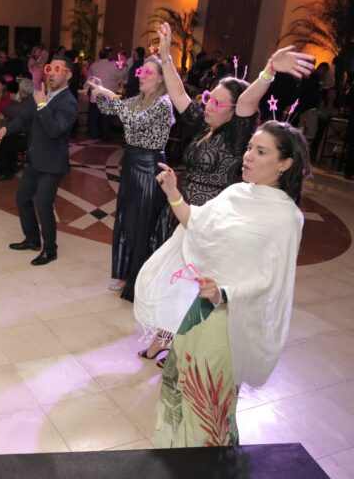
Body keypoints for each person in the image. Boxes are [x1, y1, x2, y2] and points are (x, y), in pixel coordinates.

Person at [138, 24, 315, 360]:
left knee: (195, 287)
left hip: (213, 223)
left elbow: (248, 99)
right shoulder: (204, 125)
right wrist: (166, 56)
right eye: (209, 98)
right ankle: (166, 338)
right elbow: (178, 94)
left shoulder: (237, 135)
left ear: (235, 111)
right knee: (176, 281)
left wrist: (268, 70)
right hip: (185, 212)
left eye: (219, 103)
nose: (209, 105)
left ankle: (180, 348)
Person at [134, 121, 310, 447]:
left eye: (261, 152)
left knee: (208, 396)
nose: (248, 156)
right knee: (180, 380)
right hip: (201, 309)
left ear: (285, 164)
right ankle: (174, 449)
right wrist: (173, 193)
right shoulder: (234, 193)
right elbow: (196, 223)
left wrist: (225, 292)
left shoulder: (286, 217)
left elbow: (272, 280)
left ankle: (208, 460)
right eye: (250, 148)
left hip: (231, 318)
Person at [89, 55, 174, 302]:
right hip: (131, 164)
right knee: (127, 220)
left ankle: (141, 279)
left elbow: (134, 123)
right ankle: (126, 274)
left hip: (149, 167)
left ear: (161, 79)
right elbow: (107, 110)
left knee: (144, 223)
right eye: (141, 72)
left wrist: (113, 96)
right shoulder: (138, 100)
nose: (141, 76)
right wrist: (101, 93)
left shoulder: (163, 103)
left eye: (148, 73)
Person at [7, 55, 78, 266]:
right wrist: (5, 129)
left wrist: (42, 105)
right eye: (49, 69)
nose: (51, 73)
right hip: (36, 159)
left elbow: (54, 130)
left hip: (53, 163)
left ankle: (50, 250)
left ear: (68, 75)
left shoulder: (69, 102)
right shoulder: (45, 95)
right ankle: (32, 239)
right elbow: (24, 117)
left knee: (44, 205)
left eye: (57, 69)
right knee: (22, 198)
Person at [0, 78, 37, 180]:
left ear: (22, 91)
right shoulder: (32, 101)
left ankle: (5, 172)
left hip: (24, 139)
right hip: (23, 136)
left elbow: (7, 110)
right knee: (7, 139)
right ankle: (11, 167)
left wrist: (15, 100)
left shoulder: (27, 104)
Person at [87, 49, 128, 140]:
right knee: (106, 117)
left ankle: (93, 134)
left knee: (94, 117)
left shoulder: (94, 65)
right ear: (108, 55)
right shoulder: (112, 66)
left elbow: (89, 78)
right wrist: (125, 67)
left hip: (95, 95)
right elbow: (121, 75)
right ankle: (105, 136)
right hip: (107, 95)